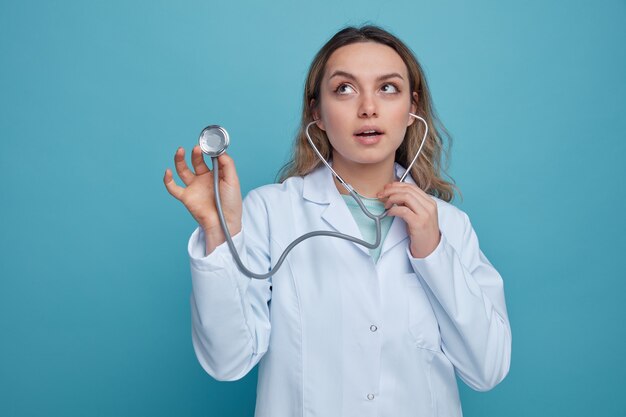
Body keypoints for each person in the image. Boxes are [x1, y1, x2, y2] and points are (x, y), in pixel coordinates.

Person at [163, 25, 511, 417]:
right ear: (318, 114)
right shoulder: (272, 212)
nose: (368, 107)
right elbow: (228, 361)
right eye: (344, 89)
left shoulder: (451, 226)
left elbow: (488, 369)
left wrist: (433, 252)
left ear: (412, 110)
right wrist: (217, 230)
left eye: (388, 88)